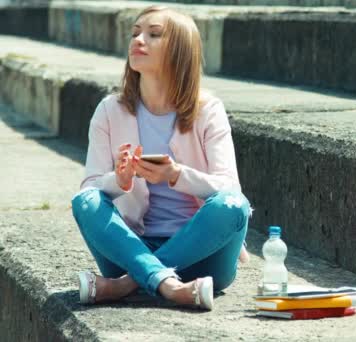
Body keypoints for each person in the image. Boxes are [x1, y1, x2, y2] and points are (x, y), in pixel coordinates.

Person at [71, 5, 251, 310]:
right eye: (135, 33)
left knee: (235, 206)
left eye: (153, 34)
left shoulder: (208, 110)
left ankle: (127, 285)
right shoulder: (109, 110)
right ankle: (169, 287)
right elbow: (89, 188)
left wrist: (175, 176)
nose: (138, 40)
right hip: (129, 248)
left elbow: (229, 190)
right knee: (85, 202)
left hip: (203, 255)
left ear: (180, 51)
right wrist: (120, 180)